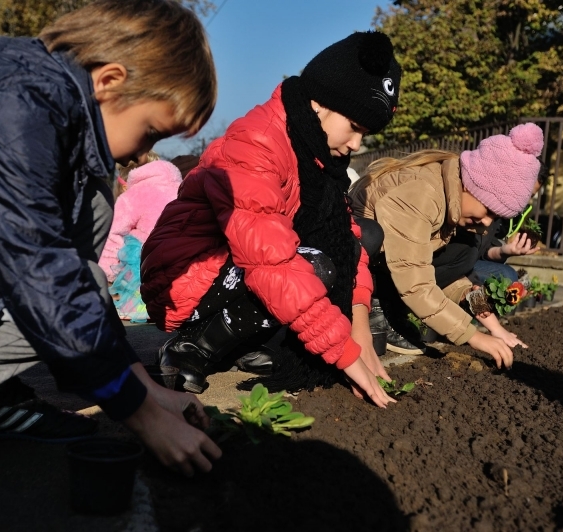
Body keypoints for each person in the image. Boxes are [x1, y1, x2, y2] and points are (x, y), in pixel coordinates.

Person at [0, 0, 221, 486]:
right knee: (68, 263)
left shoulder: (47, 98)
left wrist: (148, 389)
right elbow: (40, 268)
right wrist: (143, 417)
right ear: (109, 79)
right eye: (151, 130)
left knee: (88, 213)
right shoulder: (14, 104)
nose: (143, 150)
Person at [141, 31, 402, 407]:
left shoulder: (317, 155)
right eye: (355, 127)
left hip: (231, 265)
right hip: (183, 276)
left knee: (351, 242)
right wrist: (342, 351)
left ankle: (241, 341)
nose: (357, 144)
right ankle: (193, 344)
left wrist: (358, 326)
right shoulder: (257, 143)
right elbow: (269, 259)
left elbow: (349, 240)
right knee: (310, 266)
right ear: (322, 103)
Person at [350, 123, 544, 369]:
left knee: (466, 254)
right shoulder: (423, 194)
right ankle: (378, 308)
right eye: (488, 211)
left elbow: (452, 276)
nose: (486, 223)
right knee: (466, 252)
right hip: (357, 270)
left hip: (384, 267)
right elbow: (417, 282)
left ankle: (387, 307)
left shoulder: (448, 196)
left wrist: (494, 327)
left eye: (495, 218)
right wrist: (473, 337)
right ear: (470, 185)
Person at [99, 160, 184, 322]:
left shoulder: (134, 194)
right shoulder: (182, 188)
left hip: (144, 262)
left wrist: (108, 271)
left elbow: (114, 232)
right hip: (181, 256)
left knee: (132, 246)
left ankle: (138, 307)